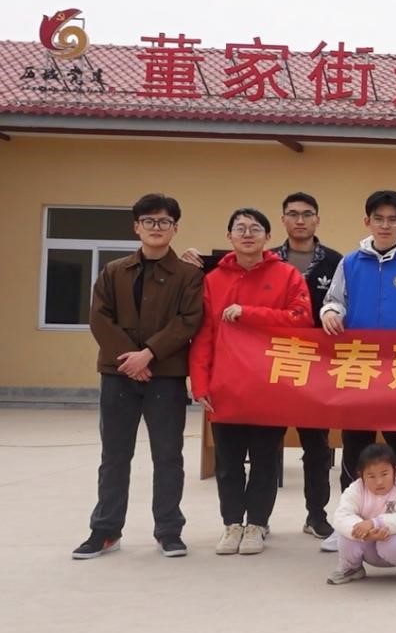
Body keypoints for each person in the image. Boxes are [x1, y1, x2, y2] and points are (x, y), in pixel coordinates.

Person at [74, 194, 204, 560]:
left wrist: (149, 354)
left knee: (168, 455)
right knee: (114, 456)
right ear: (136, 227)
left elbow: (189, 320)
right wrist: (129, 359)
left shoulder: (189, 275)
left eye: (164, 222)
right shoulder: (114, 271)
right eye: (149, 221)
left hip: (166, 376)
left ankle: (168, 531)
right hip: (117, 374)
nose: (156, 227)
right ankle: (105, 530)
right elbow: (99, 317)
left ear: (175, 228)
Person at [318, 190, 396, 551]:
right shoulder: (350, 263)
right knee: (355, 447)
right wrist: (331, 313)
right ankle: (348, 524)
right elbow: (334, 300)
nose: (385, 225)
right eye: (378, 218)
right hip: (359, 368)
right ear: (367, 221)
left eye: (392, 219)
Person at [190, 208, 312, 556]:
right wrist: (200, 383)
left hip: (270, 386)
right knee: (227, 462)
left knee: (264, 461)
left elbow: (302, 320)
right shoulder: (213, 279)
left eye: (255, 228)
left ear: (268, 237)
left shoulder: (287, 275)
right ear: (229, 236)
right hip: (225, 387)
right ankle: (232, 524)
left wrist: (249, 313)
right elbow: (204, 334)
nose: (247, 234)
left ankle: (257, 524)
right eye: (240, 228)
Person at [271, 193, 342, 541]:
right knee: (266, 445)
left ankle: (316, 515)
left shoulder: (336, 262)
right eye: (293, 214)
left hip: (318, 368)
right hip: (272, 364)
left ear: (317, 219)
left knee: (317, 447)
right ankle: (258, 519)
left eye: (307, 214)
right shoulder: (267, 261)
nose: (300, 220)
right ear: (283, 219)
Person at [326, 444, 396, 587]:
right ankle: (351, 568)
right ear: (361, 475)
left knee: (392, 542)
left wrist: (375, 523)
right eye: (371, 476)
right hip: (367, 540)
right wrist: (364, 532)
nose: (379, 482)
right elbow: (342, 516)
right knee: (345, 536)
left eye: (384, 474)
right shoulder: (356, 489)